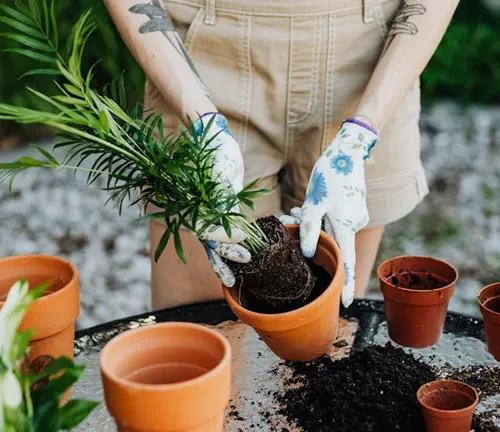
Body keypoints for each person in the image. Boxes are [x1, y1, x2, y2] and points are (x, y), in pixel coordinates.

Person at [104, 0, 460, 310]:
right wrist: (202, 121)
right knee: (203, 336)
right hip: (204, 60)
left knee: (324, 333)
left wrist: (362, 132)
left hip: (365, 60)